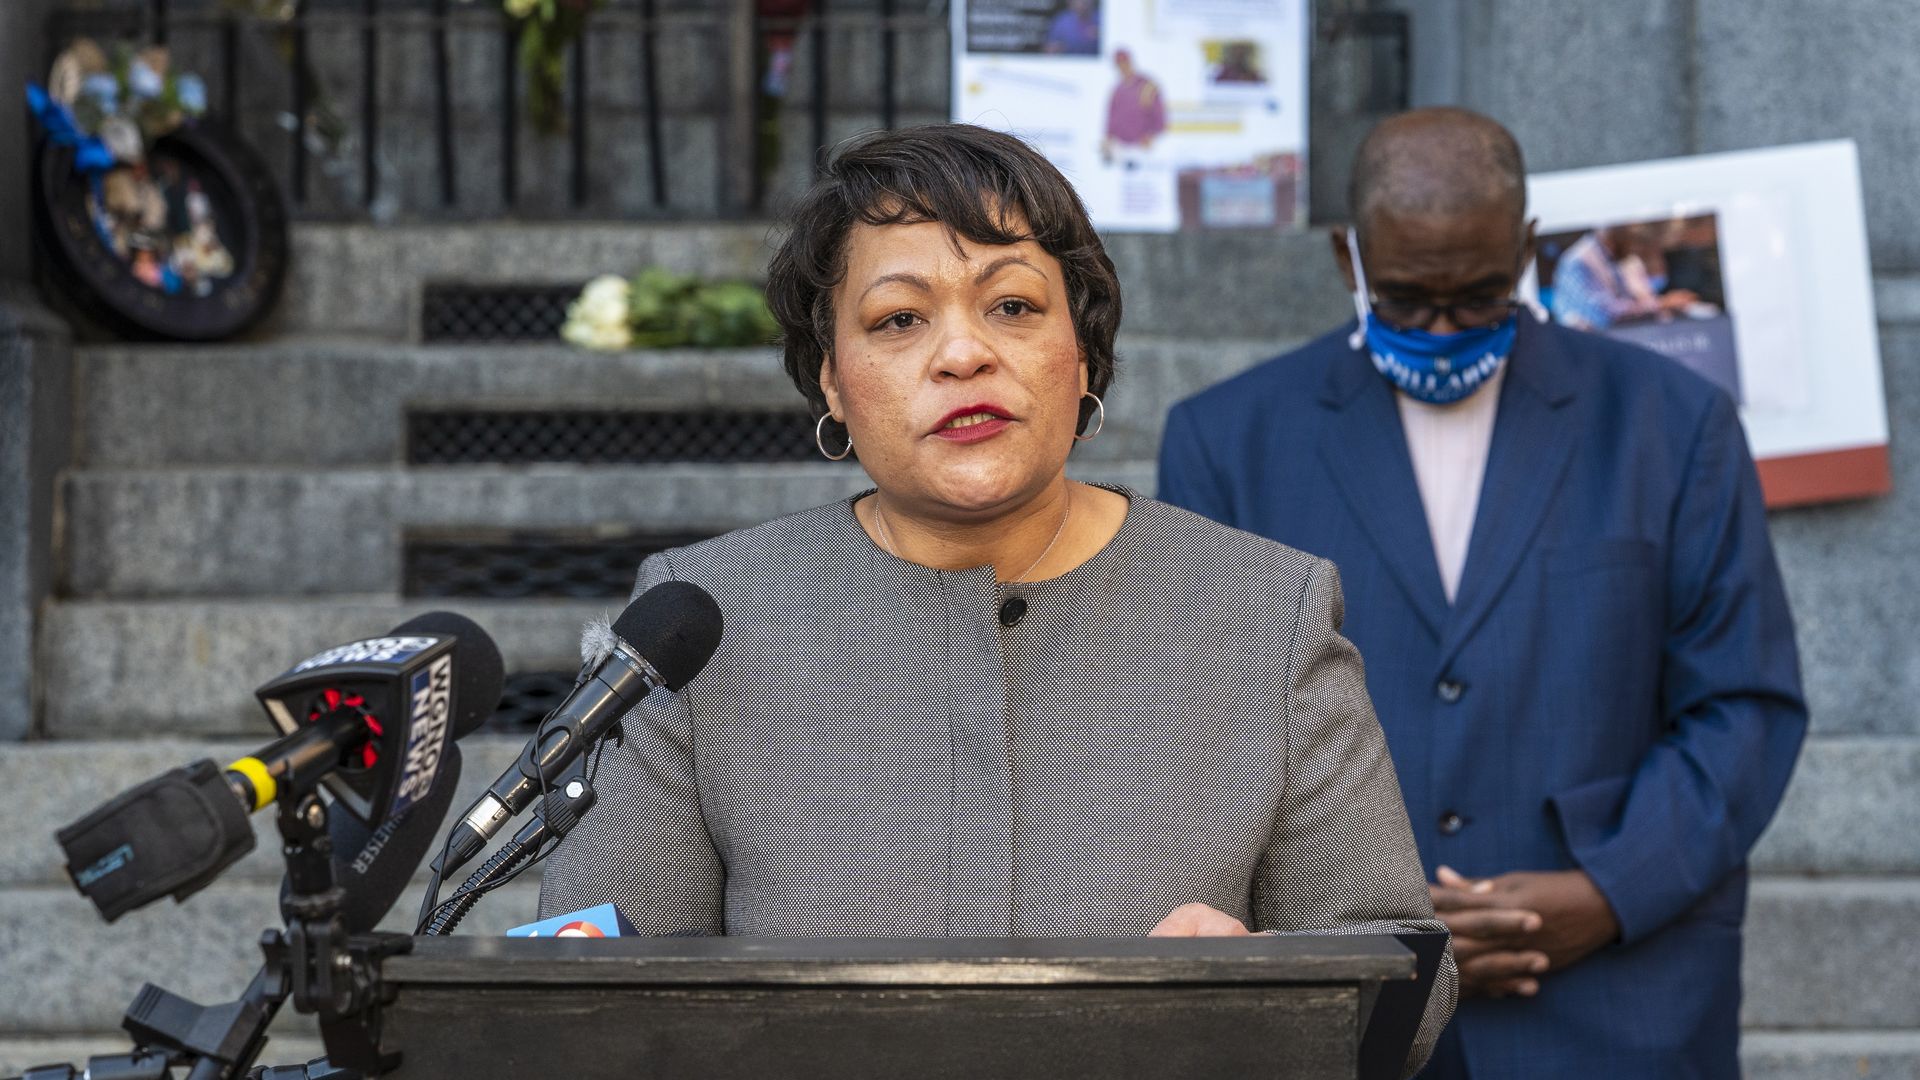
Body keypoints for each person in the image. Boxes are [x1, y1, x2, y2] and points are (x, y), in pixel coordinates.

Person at [540, 122, 1454, 1073]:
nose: (963, 354)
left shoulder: (1266, 611)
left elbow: (1401, 978)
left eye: (1013, 306)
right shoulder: (702, 619)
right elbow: (596, 1000)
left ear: (1084, 353)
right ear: (831, 381)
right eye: (899, 319)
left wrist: (1264, 987)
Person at [1157, 108, 1806, 1078]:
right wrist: (1356, 915)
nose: (1446, 329)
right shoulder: (1227, 440)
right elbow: (1205, 732)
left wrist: (1608, 890)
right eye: (1411, 300)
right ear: (1350, 261)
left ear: (1529, 250)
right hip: (1345, 1007)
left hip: (1618, 1001)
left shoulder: (1674, 423)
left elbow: (1743, 705)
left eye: (1482, 296)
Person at [1551, 224, 1698, 330]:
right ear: (1617, 233)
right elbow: (1603, 314)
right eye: (1633, 238)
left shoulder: (1622, 259)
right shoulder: (1579, 261)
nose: (1634, 245)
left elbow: (1642, 298)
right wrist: (1661, 304)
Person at [1101, 49, 1165, 163]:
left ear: (1130, 62)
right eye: (1119, 64)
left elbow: (1159, 117)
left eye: (1124, 63)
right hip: (1120, 150)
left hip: (1143, 150)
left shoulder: (1147, 86)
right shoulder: (1117, 90)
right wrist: (1108, 139)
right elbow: (1111, 118)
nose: (1122, 67)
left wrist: (1151, 135)